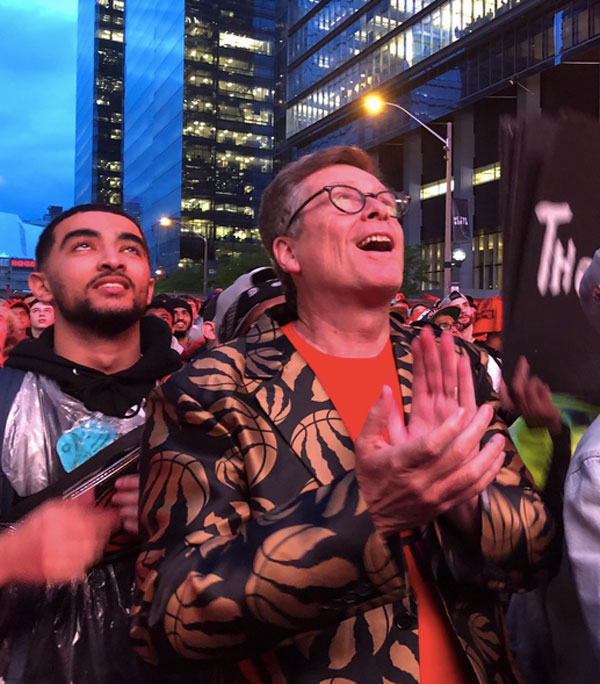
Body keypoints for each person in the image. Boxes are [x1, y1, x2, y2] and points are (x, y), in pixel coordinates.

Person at [132, 146, 557, 683]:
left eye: (385, 201)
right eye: (345, 199)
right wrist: (368, 511)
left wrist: (467, 502)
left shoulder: (452, 364)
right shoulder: (210, 388)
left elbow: (536, 553)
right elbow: (170, 617)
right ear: (288, 252)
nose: (379, 211)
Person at [0, 203, 181, 684]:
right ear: (39, 285)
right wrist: (12, 558)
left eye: (130, 249)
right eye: (84, 245)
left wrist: (189, 517)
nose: (112, 259)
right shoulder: (4, 405)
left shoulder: (206, 402)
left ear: (149, 284)